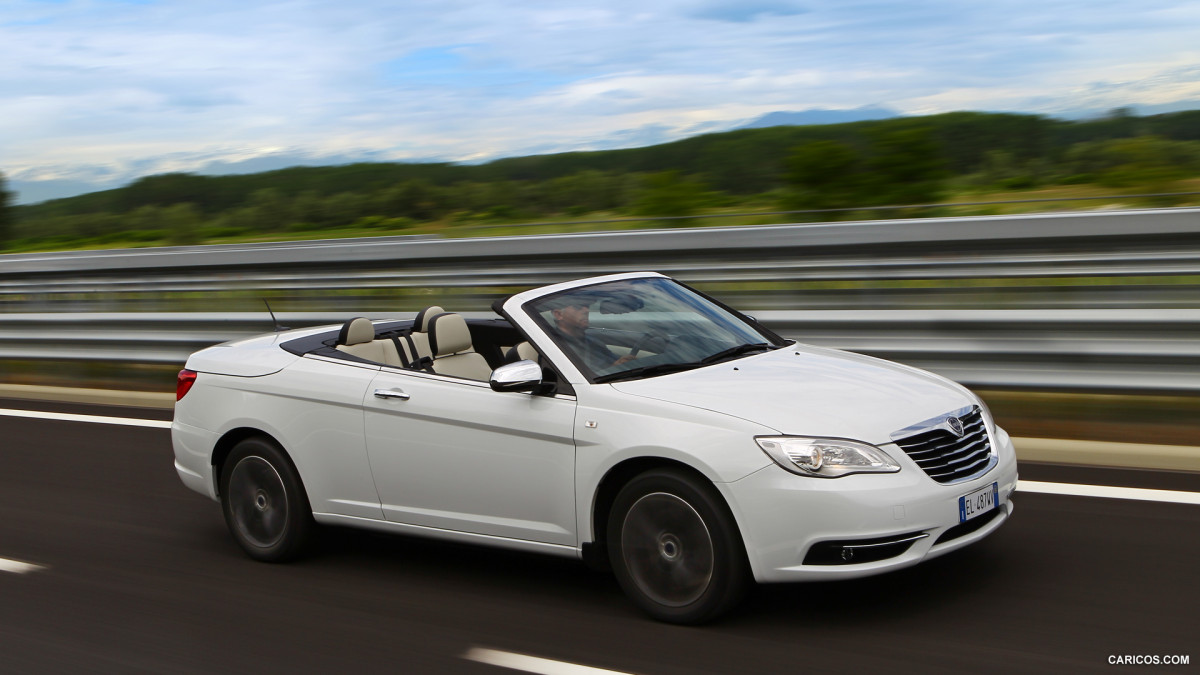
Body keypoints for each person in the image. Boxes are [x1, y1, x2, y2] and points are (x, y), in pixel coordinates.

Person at [549, 300, 637, 371]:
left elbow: (613, 361)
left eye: (587, 306)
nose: (586, 310)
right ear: (559, 314)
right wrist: (613, 368)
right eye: (578, 307)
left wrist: (624, 362)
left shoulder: (593, 341)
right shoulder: (553, 348)